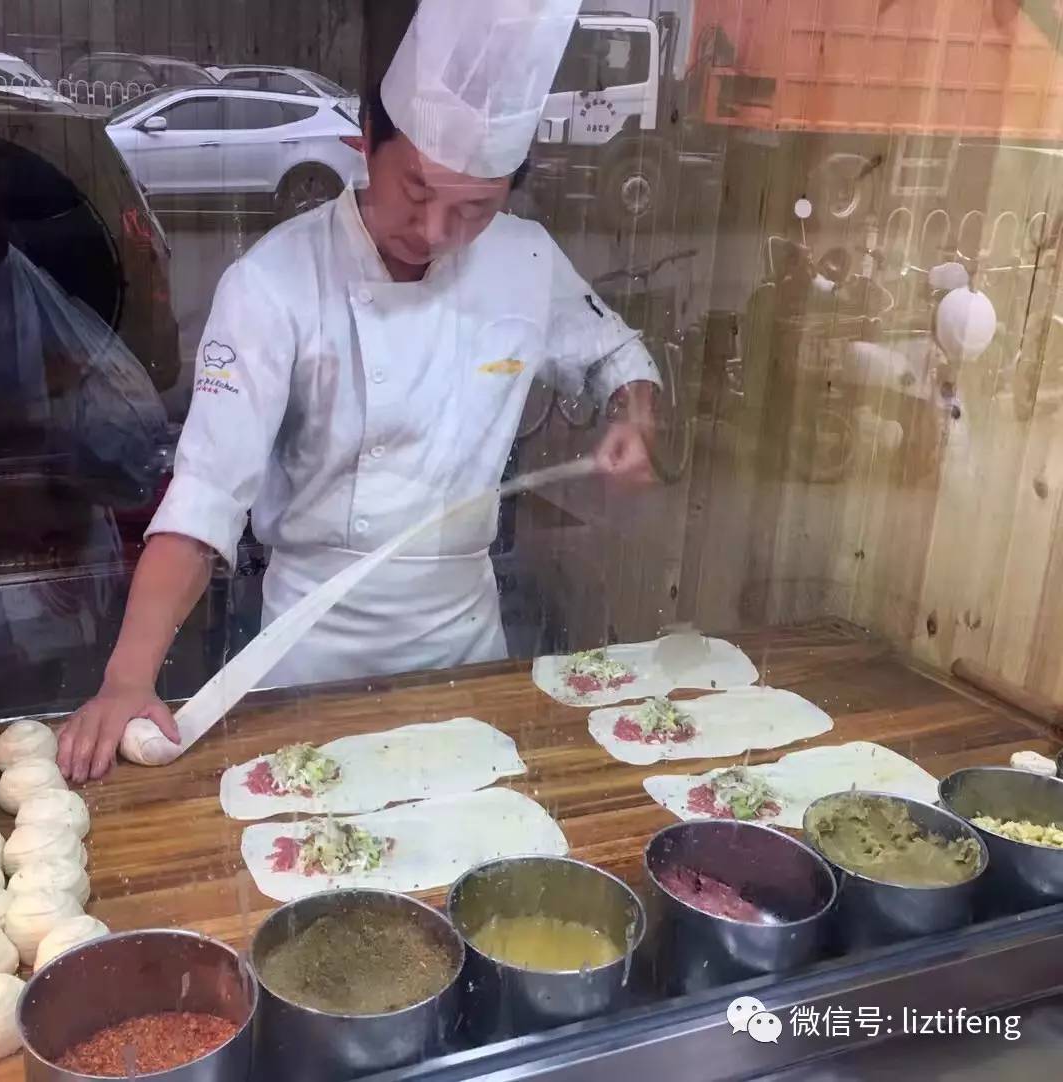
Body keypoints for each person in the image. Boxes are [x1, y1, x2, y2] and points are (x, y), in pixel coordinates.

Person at [58, 0, 661, 781]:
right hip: (311, 658)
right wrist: (127, 681)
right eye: (416, 190)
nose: (438, 229)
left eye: (474, 208)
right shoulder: (273, 285)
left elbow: (617, 352)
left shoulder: (527, 262)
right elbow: (206, 495)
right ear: (363, 145)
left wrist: (632, 415)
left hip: (466, 656)